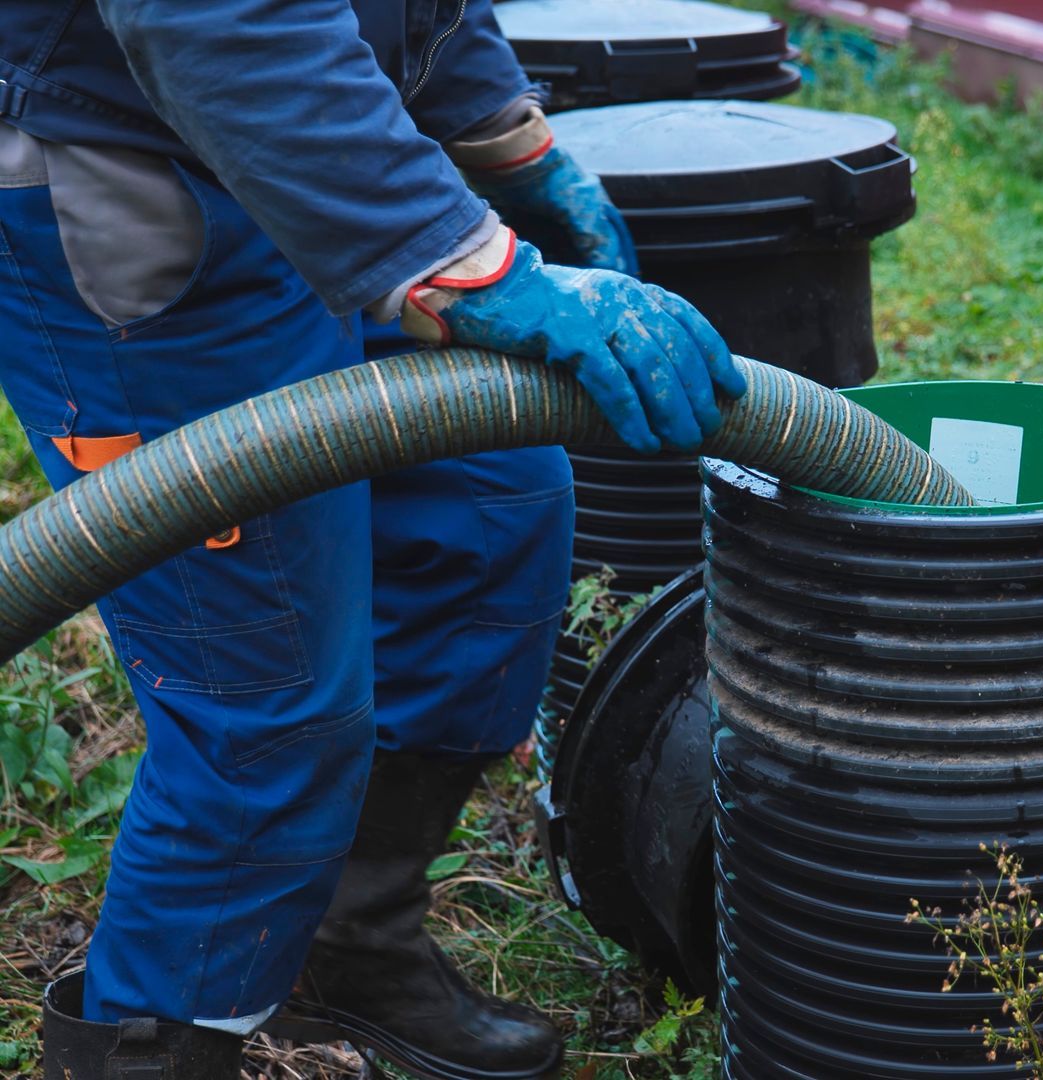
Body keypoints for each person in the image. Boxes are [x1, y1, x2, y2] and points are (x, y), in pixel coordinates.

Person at [0, 1, 744, 1076]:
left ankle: (342, 945)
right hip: (130, 172)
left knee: (490, 510)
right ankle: (149, 1053)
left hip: (320, 145)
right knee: (267, 705)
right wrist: (458, 257)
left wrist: (498, 132)